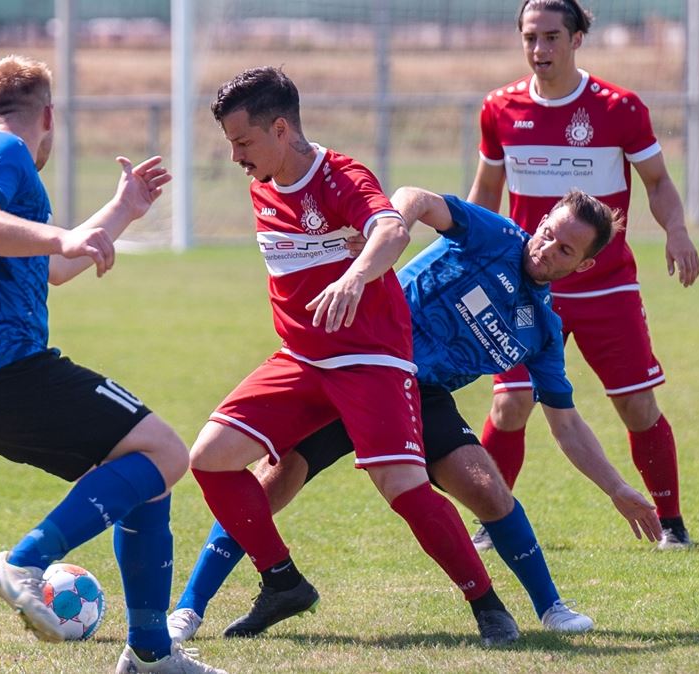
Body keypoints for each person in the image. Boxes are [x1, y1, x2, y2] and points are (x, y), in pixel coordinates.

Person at [168, 186, 664, 644]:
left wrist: (618, 489)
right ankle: (190, 609)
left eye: (564, 251)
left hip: (420, 396)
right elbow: (418, 198)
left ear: (582, 265)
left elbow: (567, 423)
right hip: (364, 363)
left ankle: (549, 606)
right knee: (270, 483)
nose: (546, 250)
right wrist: (392, 228)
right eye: (548, 234)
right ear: (540, 223)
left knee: (486, 487)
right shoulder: (493, 236)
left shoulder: (543, 331)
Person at [187, 66, 520, 647]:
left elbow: (392, 229)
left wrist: (356, 276)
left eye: (243, 142)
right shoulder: (263, 180)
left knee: (403, 486)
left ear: (282, 128)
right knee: (210, 457)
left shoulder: (340, 176)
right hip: (302, 359)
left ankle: (488, 605)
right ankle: (282, 581)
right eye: (230, 144)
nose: (236, 156)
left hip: (370, 358)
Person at [0, 55, 224, 674]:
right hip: (5, 366)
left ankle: (150, 653)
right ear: (48, 116)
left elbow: (55, 267)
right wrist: (61, 236)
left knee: (141, 472)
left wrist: (121, 211)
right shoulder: (0, 151)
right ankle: (25, 561)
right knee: (169, 454)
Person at [468, 0, 699, 551]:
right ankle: (489, 521)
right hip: (528, 288)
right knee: (509, 404)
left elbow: (658, 182)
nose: (539, 49)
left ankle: (671, 524)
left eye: (551, 36)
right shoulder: (500, 109)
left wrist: (677, 229)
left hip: (607, 286)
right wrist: (470, 252)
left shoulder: (619, 108)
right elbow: (485, 193)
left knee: (637, 404)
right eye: (530, 37)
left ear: (577, 40)